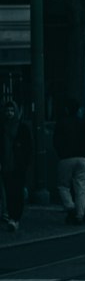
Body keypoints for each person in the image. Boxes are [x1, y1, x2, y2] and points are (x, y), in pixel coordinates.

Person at [54, 99, 85, 225]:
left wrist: (61, 152)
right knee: (81, 187)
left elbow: (56, 141)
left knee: (63, 186)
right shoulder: (84, 123)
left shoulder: (61, 123)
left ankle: (70, 207)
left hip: (65, 158)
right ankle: (80, 214)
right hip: (82, 157)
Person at [0, 99, 32, 231]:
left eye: (12, 110)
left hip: (18, 165)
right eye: (7, 110)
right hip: (6, 165)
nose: (9, 113)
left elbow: (28, 147)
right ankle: (11, 216)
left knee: (17, 192)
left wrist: (24, 163)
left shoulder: (22, 128)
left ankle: (15, 218)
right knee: (9, 192)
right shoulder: (2, 128)